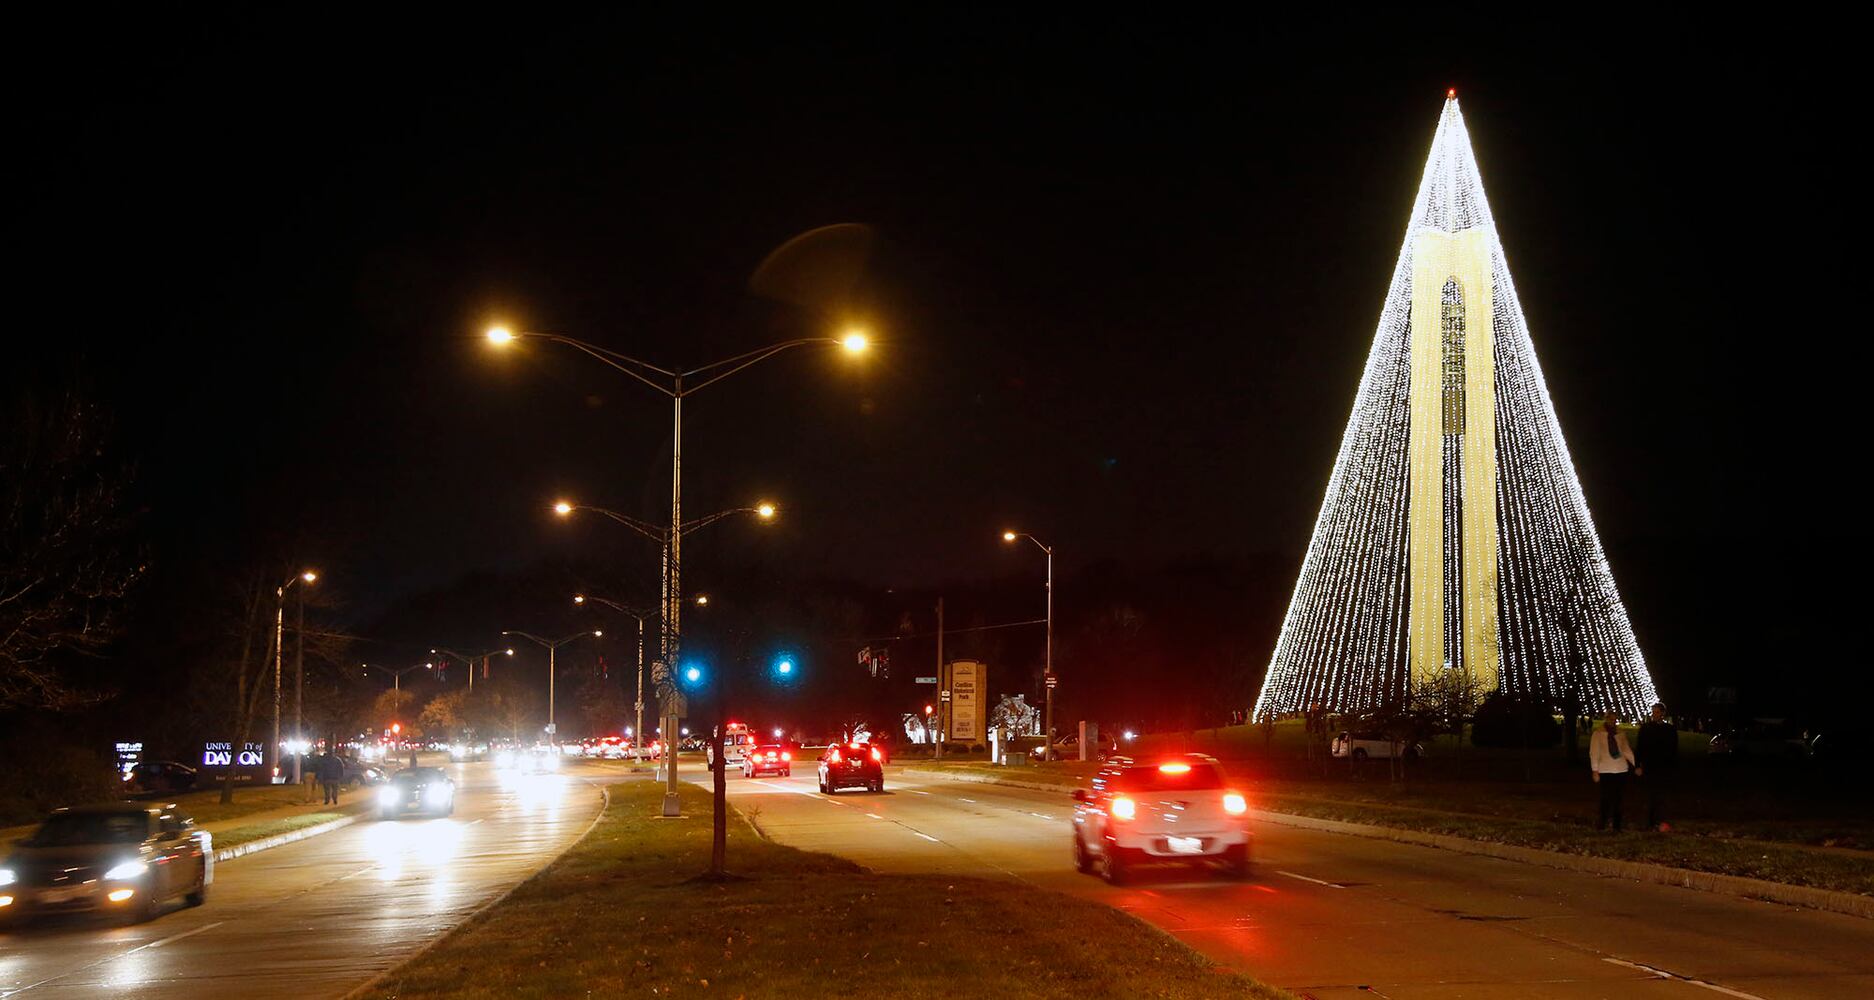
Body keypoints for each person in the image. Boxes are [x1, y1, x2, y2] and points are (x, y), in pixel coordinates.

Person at [1588, 711, 1640, 831]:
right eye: (1610, 719)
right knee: (1605, 798)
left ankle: (1617, 825)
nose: (1612, 721)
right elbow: (1594, 752)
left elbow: (1626, 750)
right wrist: (1595, 770)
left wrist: (1636, 765)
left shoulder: (1620, 733)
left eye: (1614, 719)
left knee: (1619, 799)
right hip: (1605, 769)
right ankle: (1602, 822)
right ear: (1606, 719)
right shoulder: (1598, 733)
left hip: (1621, 769)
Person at [1636, 702, 1678, 832]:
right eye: (1653, 712)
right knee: (1649, 796)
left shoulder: (1670, 730)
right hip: (1649, 767)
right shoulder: (1646, 728)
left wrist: (1671, 767)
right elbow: (1640, 748)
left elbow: (1673, 750)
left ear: (1663, 713)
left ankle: (1660, 821)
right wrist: (1638, 765)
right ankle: (1648, 822)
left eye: (1657, 712)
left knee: (1661, 796)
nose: (1655, 715)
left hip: (1663, 768)